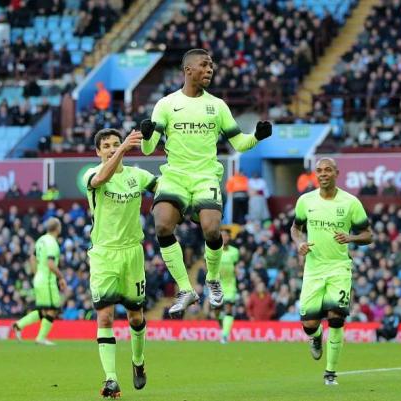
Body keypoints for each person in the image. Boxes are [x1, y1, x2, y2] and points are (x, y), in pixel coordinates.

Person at [139, 48, 272, 315]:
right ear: (188, 70)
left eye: (212, 65)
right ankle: (186, 289)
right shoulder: (166, 104)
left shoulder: (218, 106)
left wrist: (256, 136)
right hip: (174, 176)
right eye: (204, 65)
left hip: (205, 177)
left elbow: (239, 142)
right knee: (163, 225)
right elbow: (148, 148)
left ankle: (212, 278)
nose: (210, 69)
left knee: (212, 230)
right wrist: (146, 134)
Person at [82, 128, 156, 398]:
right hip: (103, 254)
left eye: (116, 144)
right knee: (105, 315)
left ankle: (138, 362)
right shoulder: (91, 174)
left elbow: (164, 190)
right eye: (107, 146)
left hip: (132, 253)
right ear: (98, 151)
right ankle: (111, 379)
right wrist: (124, 148)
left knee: (135, 317)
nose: (112, 148)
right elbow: (102, 177)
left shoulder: (138, 176)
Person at [290, 157, 373, 385]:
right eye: (319, 170)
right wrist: (299, 243)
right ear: (315, 175)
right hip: (313, 269)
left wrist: (352, 237)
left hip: (339, 268)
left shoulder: (350, 202)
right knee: (309, 324)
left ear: (336, 173)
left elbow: (368, 234)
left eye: (328, 170)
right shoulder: (305, 201)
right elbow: (296, 228)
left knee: (336, 318)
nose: (323, 173)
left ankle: (330, 372)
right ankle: (315, 338)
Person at [12, 217, 66, 346]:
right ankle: (40, 338)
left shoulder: (41, 240)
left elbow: (32, 258)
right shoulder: (52, 243)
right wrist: (61, 277)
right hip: (47, 281)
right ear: (58, 228)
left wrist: (36, 274)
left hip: (39, 279)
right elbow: (51, 264)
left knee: (44, 310)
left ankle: (19, 325)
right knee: (53, 309)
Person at [217, 227, 240, 344]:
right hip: (217, 285)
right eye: (222, 235)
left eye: (226, 235)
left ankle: (225, 335)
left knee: (228, 308)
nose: (224, 237)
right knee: (217, 312)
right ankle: (223, 328)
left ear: (229, 237)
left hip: (230, 285)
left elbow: (236, 266)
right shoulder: (213, 251)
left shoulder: (234, 251)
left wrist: (238, 272)